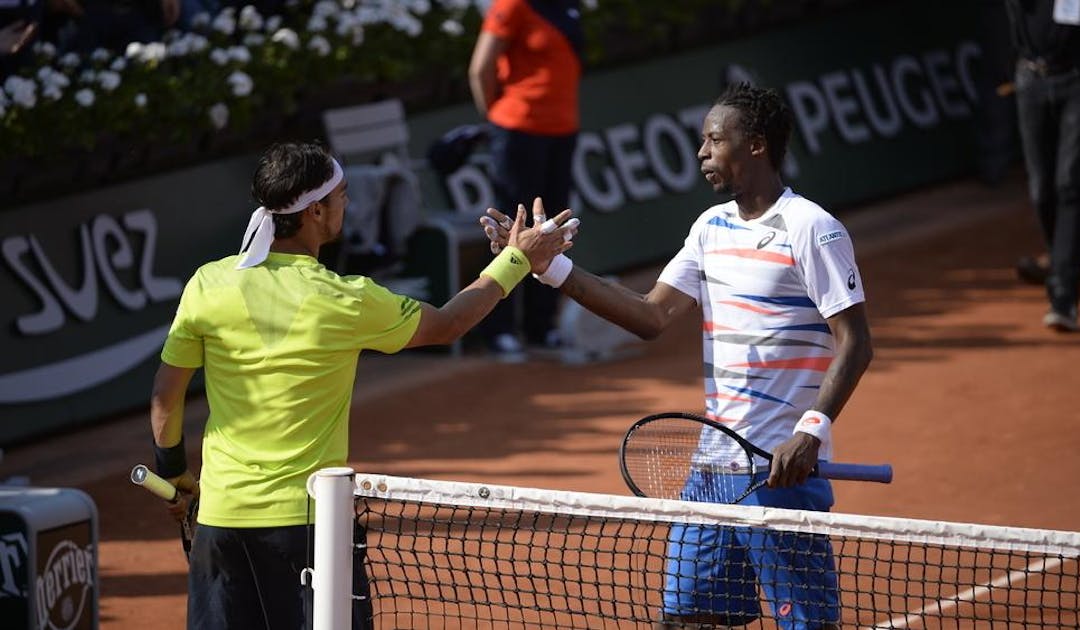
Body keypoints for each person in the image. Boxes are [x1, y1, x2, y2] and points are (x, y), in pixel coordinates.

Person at [482, 84, 873, 629]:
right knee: (686, 618)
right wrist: (549, 269)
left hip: (781, 473)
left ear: (756, 145)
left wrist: (810, 431)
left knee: (806, 625)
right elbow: (651, 316)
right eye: (702, 141)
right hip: (712, 471)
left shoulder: (812, 229)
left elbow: (855, 341)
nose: (702, 153)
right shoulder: (709, 228)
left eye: (715, 139)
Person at [149, 141, 573, 630]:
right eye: (343, 195)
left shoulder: (208, 283)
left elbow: (166, 395)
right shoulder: (344, 300)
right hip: (309, 529)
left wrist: (175, 473)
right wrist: (515, 260)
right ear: (315, 211)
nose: (347, 205)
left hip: (220, 524)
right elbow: (449, 324)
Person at [468, 0, 582, 360]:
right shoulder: (512, 4)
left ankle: (540, 325)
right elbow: (480, 69)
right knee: (510, 230)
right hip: (517, 132)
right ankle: (498, 327)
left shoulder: (569, 6)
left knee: (550, 230)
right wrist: (497, 122)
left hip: (562, 131)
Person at [1004, 0, 1080, 331]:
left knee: (1070, 182)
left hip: (1077, 78)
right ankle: (1064, 262)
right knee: (1041, 190)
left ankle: (1062, 292)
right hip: (1031, 78)